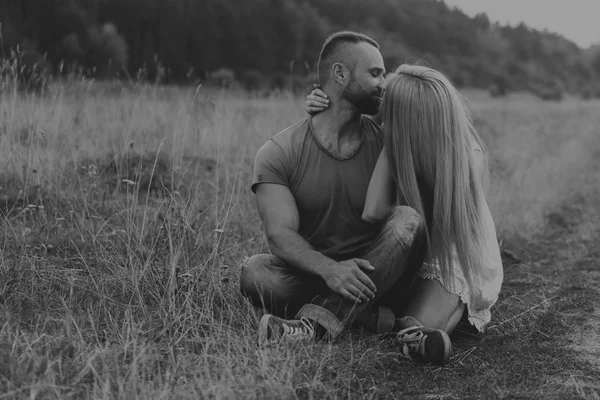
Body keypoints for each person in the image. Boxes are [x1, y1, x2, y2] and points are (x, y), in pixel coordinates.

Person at [240, 31, 454, 367]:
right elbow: (279, 235)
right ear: (340, 74)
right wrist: (331, 270)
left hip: (386, 274)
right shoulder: (278, 152)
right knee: (255, 272)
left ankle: (313, 326)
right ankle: (379, 322)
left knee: (407, 219)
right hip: (321, 273)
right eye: (375, 74)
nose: (385, 83)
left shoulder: (388, 141)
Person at [306, 64, 504, 336]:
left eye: (389, 105)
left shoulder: (467, 157)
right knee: (265, 277)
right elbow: (372, 212)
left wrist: (393, 138)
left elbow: (379, 214)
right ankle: (367, 317)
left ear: (408, 119)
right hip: (399, 250)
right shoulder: (390, 136)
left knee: (420, 328)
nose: (380, 103)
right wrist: (328, 107)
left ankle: (376, 318)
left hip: (447, 254)